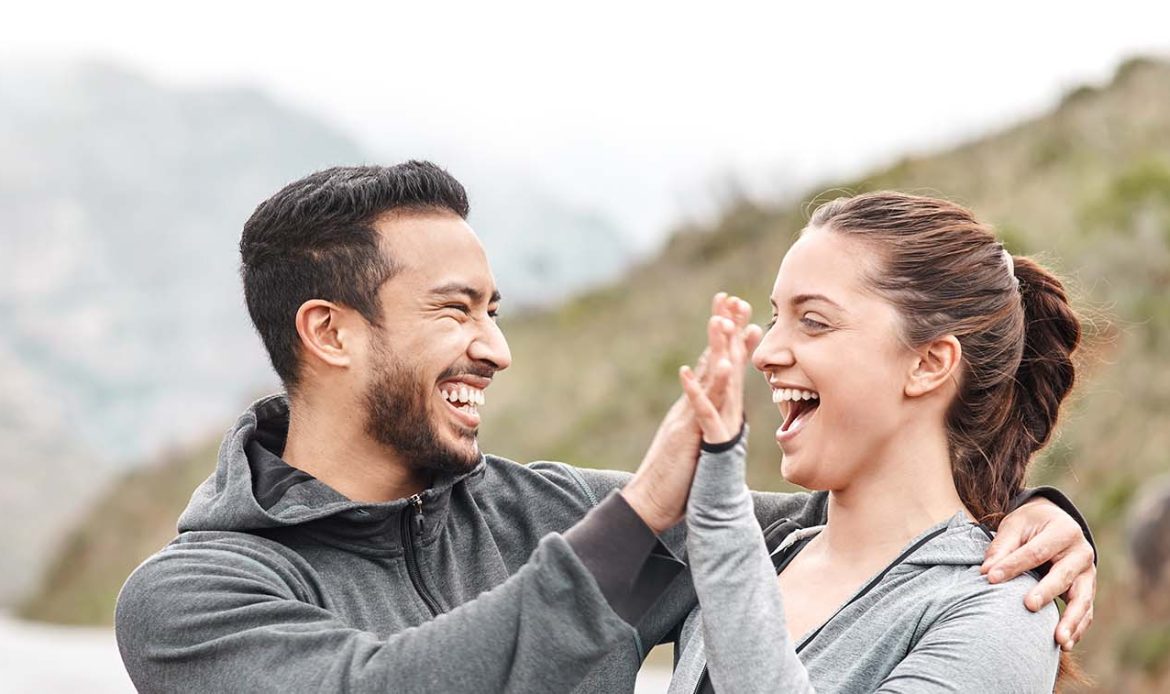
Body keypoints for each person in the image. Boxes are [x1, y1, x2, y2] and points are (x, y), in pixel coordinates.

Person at [115, 164, 1096, 693]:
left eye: (497, 310)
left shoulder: (549, 511)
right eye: (458, 310)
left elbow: (854, 536)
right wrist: (644, 507)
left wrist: (1035, 516)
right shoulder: (193, 602)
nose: (495, 348)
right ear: (330, 331)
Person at [654, 192, 1089, 692]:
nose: (766, 351)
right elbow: (549, 510)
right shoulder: (771, 552)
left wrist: (720, 516)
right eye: (776, 318)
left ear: (928, 365)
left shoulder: (996, 616)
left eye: (813, 321)